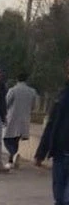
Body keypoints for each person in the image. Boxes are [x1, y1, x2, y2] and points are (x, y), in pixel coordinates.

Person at [35, 59, 69, 205]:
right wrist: (41, 153)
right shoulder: (62, 95)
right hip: (60, 153)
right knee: (59, 197)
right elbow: (51, 125)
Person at [3, 72, 38, 169]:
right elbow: (34, 106)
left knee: (6, 139)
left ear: (17, 79)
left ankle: (13, 155)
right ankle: (11, 161)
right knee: (15, 140)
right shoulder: (32, 91)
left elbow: (6, 103)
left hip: (12, 118)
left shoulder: (13, 90)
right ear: (26, 80)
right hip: (25, 119)